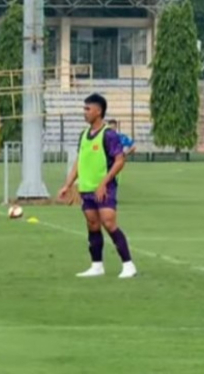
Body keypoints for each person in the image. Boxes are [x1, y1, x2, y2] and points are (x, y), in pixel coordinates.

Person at [59, 94, 137, 279]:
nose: (84, 112)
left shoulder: (108, 135)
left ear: (98, 111)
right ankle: (96, 266)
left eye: (88, 109)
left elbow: (119, 161)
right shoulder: (84, 135)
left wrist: (104, 183)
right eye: (84, 109)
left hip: (105, 188)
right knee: (93, 225)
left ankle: (128, 265)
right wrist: (68, 185)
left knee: (109, 222)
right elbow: (80, 161)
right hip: (86, 188)